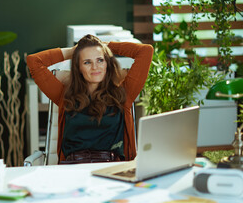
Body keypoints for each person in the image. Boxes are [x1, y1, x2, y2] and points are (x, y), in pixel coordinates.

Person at [26, 34, 153, 164]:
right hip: (73, 168)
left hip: (111, 168)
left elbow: (145, 51)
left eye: (100, 60)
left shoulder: (124, 93)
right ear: (78, 67)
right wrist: (72, 52)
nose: (95, 67)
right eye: (87, 62)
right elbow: (34, 61)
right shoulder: (64, 95)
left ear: (107, 63)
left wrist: (105, 46)